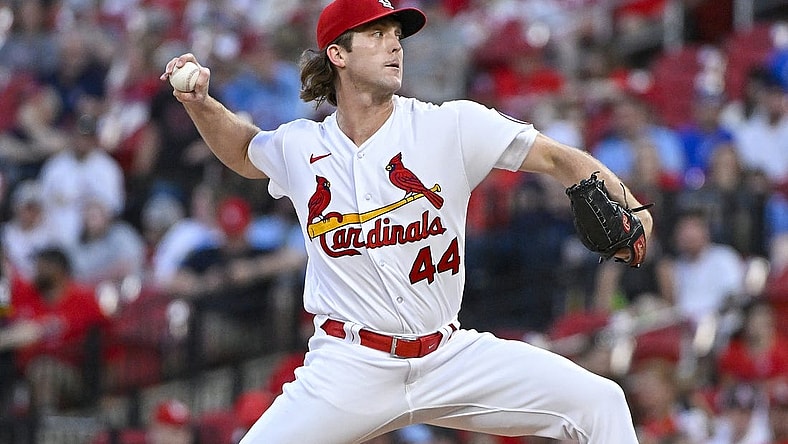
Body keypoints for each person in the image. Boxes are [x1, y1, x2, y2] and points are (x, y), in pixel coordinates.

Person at [160, 0, 653, 442]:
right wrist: (201, 105)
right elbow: (246, 150)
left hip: (447, 355)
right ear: (338, 54)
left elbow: (557, 158)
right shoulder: (301, 146)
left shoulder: (449, 126)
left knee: (599, 403)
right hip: (349, 365)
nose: (394, 44)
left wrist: (634, 206)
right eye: (376, 34)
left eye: (396, 34)